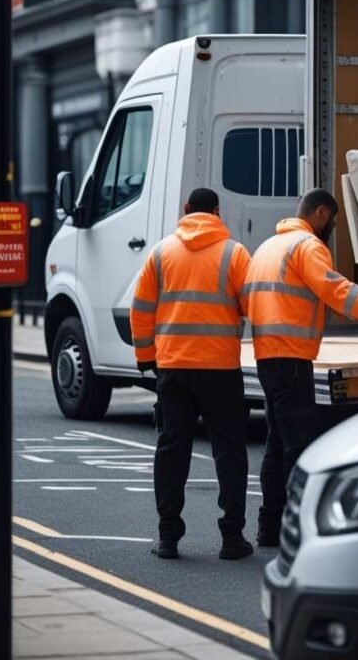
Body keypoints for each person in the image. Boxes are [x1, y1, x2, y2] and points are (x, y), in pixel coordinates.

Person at [243, 187, 358, 547]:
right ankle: (300, 532)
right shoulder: (307, 246)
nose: (332, 227)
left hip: (267, 357)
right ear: (321, 214)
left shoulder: (268, 247)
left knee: (277, 443)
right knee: (301, 448)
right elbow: (337, 291)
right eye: (333, 219)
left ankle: (269, 527)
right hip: (291, 357)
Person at [130, 187, 253, 561]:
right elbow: (251, 304)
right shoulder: (235, 253)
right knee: (229, 450)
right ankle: (232, 538)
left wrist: (146, 358)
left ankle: (168, 536)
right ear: (216, 211)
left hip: (173, 368)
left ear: (186, 210)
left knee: (172, 449)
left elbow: (141, 309)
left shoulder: (162, 252)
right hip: (220, 368)